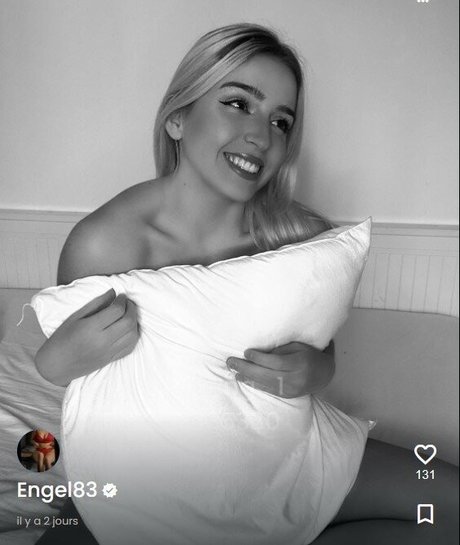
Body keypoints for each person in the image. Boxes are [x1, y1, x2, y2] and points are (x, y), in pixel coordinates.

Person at [34, 23, 457, 545]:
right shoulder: (105, 245)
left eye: (281, 121)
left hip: (294, 459)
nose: (262, 136)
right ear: (177, 118)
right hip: (153, 485)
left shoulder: (299, 238)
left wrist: (317, 370)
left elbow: (322, 351)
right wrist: (53, 363)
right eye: (238, 104)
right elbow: (85, 390)